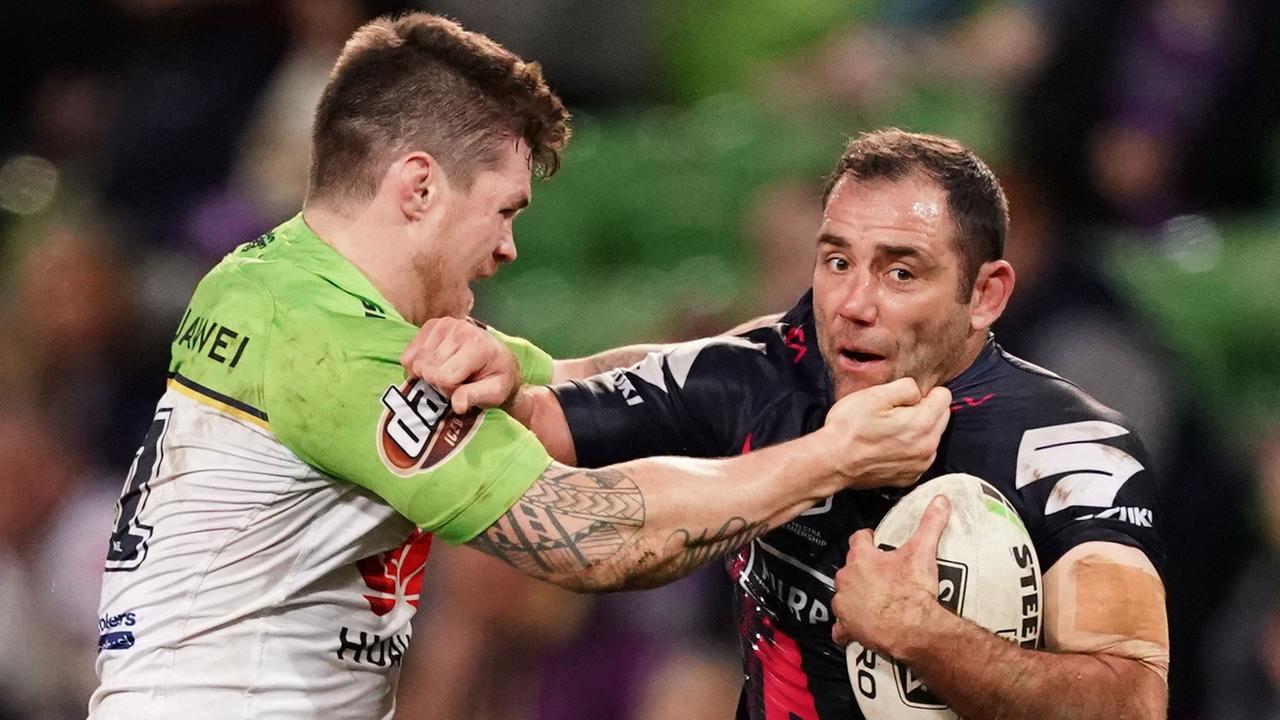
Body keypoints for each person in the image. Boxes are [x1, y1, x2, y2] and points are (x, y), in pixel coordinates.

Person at [87, 16, 954, 720]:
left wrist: (802, 346)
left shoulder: (274, 284)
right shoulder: (332, 347)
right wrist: (829, 460)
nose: (507, 248)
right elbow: (598, 538)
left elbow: (584, 382)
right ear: (418, 186)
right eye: (502, 210)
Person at [407, 129, 1170, 719]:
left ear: (986, 294)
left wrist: (922, 635)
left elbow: (1131, 701)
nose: (854, 304)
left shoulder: (1068, 449)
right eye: (838, 262)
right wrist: (501, 370)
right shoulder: (768, 372)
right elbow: (556, 407)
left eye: (900, 272)